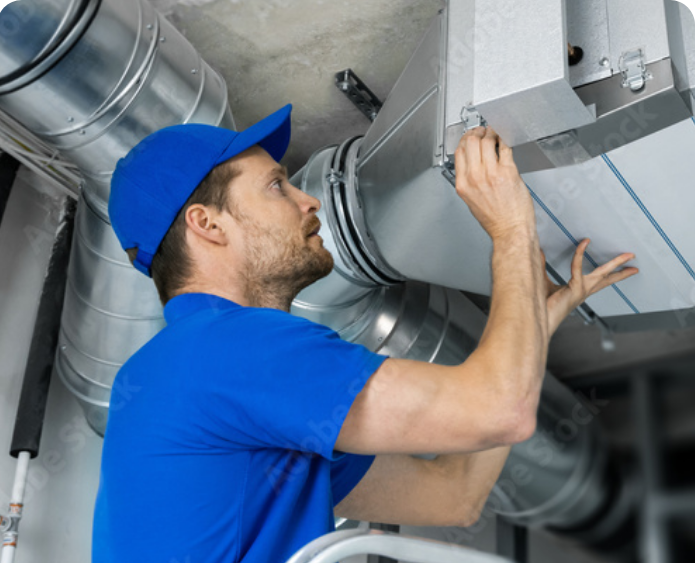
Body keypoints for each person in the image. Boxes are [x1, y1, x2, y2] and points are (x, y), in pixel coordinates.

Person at [93, 104, 638, 562]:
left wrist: (536, 323)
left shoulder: (194, 377)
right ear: (207, 224)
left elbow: (455, 495)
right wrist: (512, 228)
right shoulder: (226, 350)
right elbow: (502, 412)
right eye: (276, 186)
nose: (307, 200)